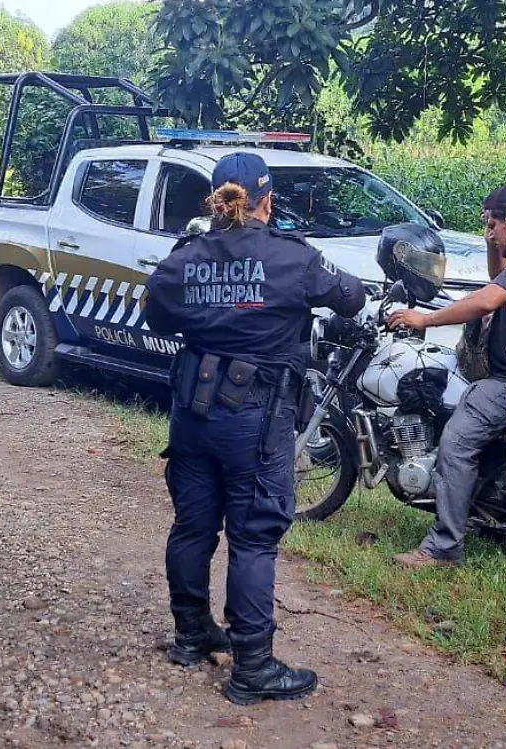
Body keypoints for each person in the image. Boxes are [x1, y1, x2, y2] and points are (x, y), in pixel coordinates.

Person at [144, 153, 366, 705]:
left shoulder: (186, 257)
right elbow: (352, 296)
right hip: (255, 420)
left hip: (192, 415)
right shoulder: (292, 259)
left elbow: (156, 313)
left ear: (216, 198)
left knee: (194, 527)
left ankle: (191, 635)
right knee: (254, 537)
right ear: (267, 199)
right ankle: (253, 666)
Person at [387, 185, 506, 567]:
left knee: (456, 443)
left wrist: (425, 319)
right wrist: (492, 242)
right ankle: (475, 513)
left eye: (491, 224)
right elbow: (500, 277)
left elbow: (487, 298)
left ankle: (444, 546)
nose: (488, 232)